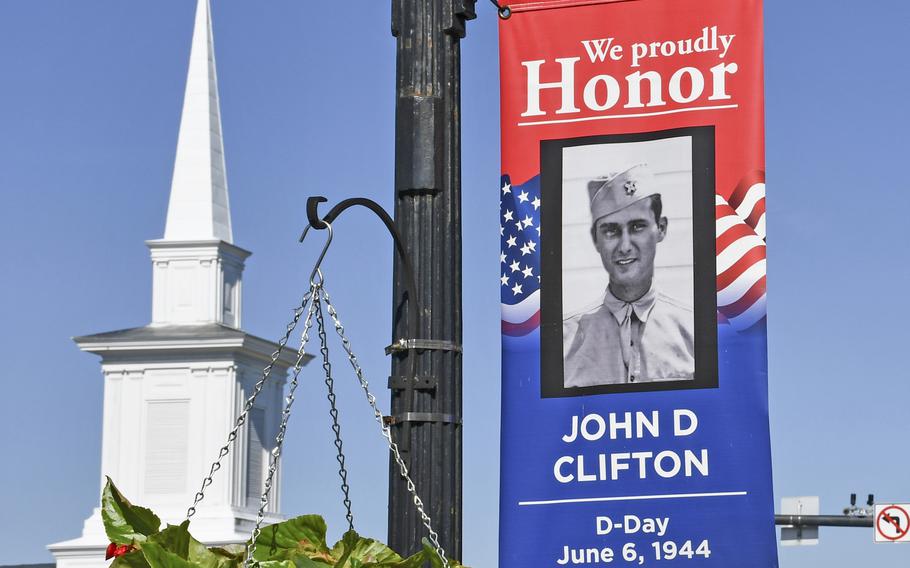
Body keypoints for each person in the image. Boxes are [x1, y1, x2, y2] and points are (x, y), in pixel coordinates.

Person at [563, 163, 694, 387]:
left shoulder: (694, 330)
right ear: (595, 239)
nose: (624, 246)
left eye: (637, 227)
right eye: (611, 231)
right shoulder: (564, 341)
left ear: (661, 228)